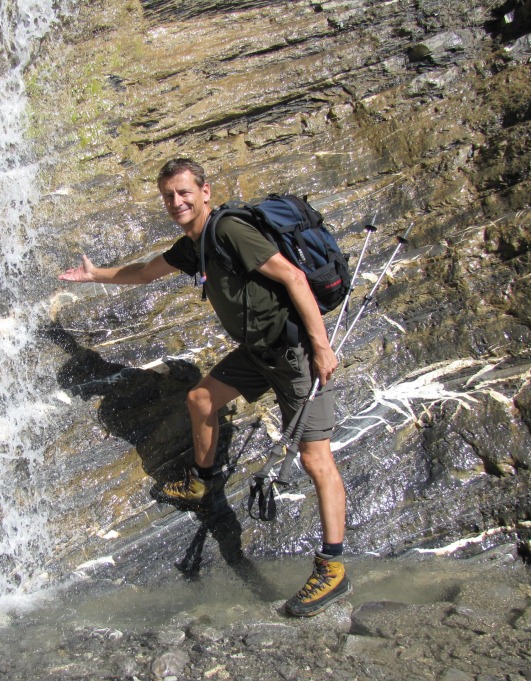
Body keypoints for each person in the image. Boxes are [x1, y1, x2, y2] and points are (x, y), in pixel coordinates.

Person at [58, 158, 349, 618]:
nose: (177, 202)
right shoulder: (193, 246)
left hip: (292, 353)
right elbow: (144, 272)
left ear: (204, 192)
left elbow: (293, 277)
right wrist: (95, 276)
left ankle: (332, 567)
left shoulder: (228, 230)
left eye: (184, 192)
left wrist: (321, 346)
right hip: (257, 352)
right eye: (169, 196)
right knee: (201, 398)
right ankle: (202, 483)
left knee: (316, 459)